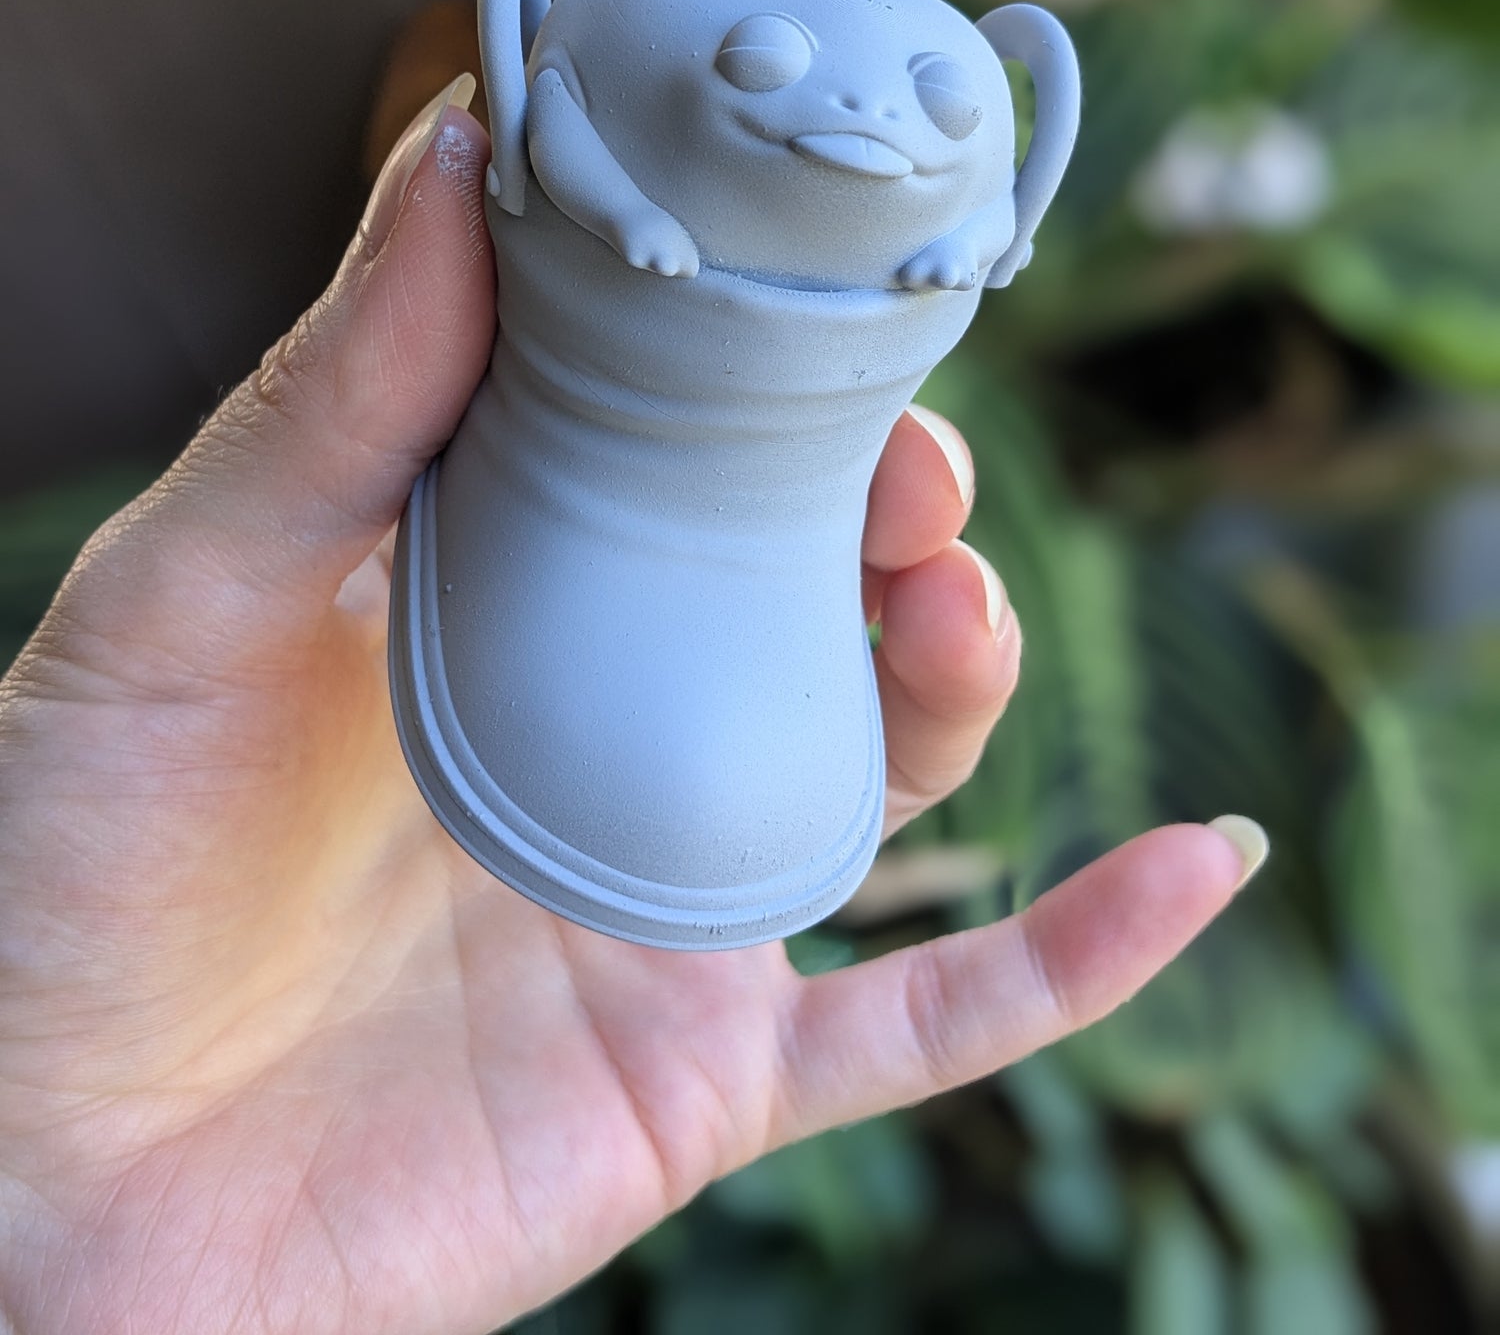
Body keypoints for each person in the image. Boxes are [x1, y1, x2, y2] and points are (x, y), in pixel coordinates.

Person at [0, 86, 1266, 1335]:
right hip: (530, 580)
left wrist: (77, 1253)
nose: (858, 111)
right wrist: (49, 1196)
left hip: (684, 625)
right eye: (762, 63)